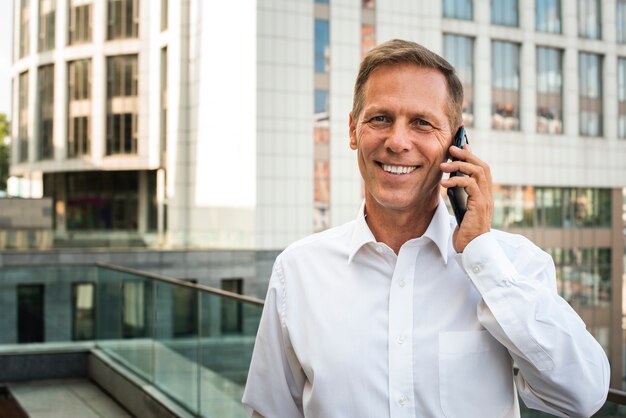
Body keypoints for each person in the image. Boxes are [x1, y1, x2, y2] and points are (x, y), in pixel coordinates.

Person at [242, 39, 609, 418]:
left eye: (422, 123)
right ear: (353, 130)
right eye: (380, 118)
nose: (398, 142)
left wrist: (481, 255)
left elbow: (582, 395)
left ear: (455, 144)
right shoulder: (297, 271)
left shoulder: (513, 265)